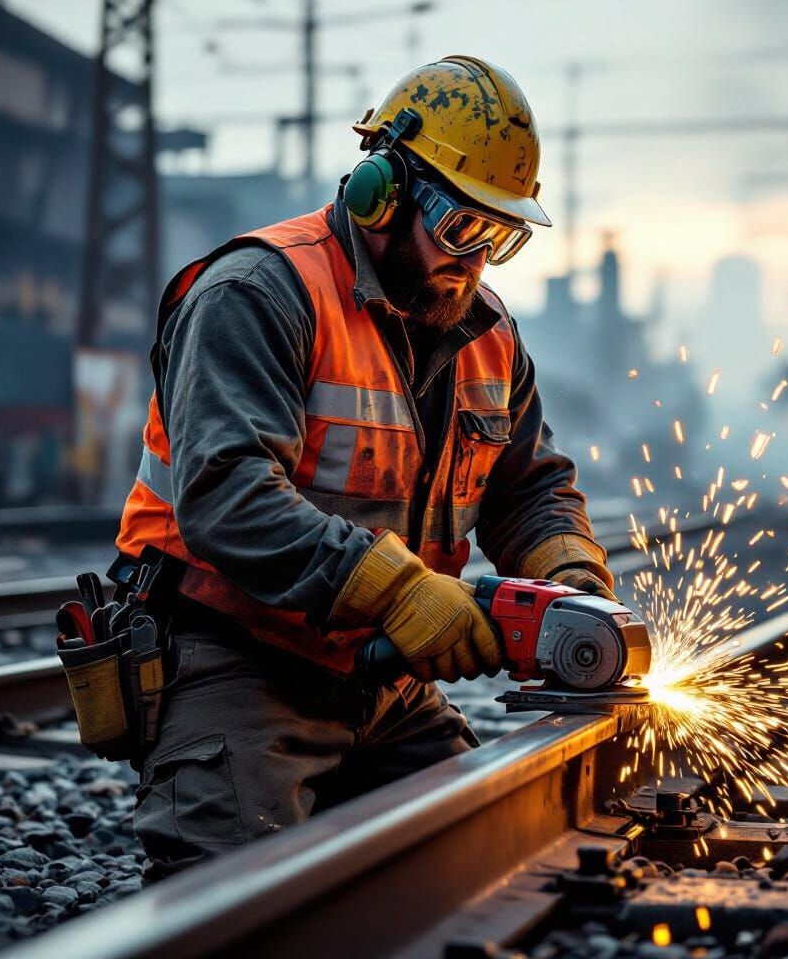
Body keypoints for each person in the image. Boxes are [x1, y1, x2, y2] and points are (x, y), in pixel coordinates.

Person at [112, 56, 614, 879]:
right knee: (233, 901)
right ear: (381, 190)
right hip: (236, 653)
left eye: (501, 236)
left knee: (495, 868)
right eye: (462, 228)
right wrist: (403, 591)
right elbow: (226, 498)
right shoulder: (258, 295)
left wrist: (571, 585)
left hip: (382, 679)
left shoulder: (486, 333)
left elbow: (530, 490)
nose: (476, 259)